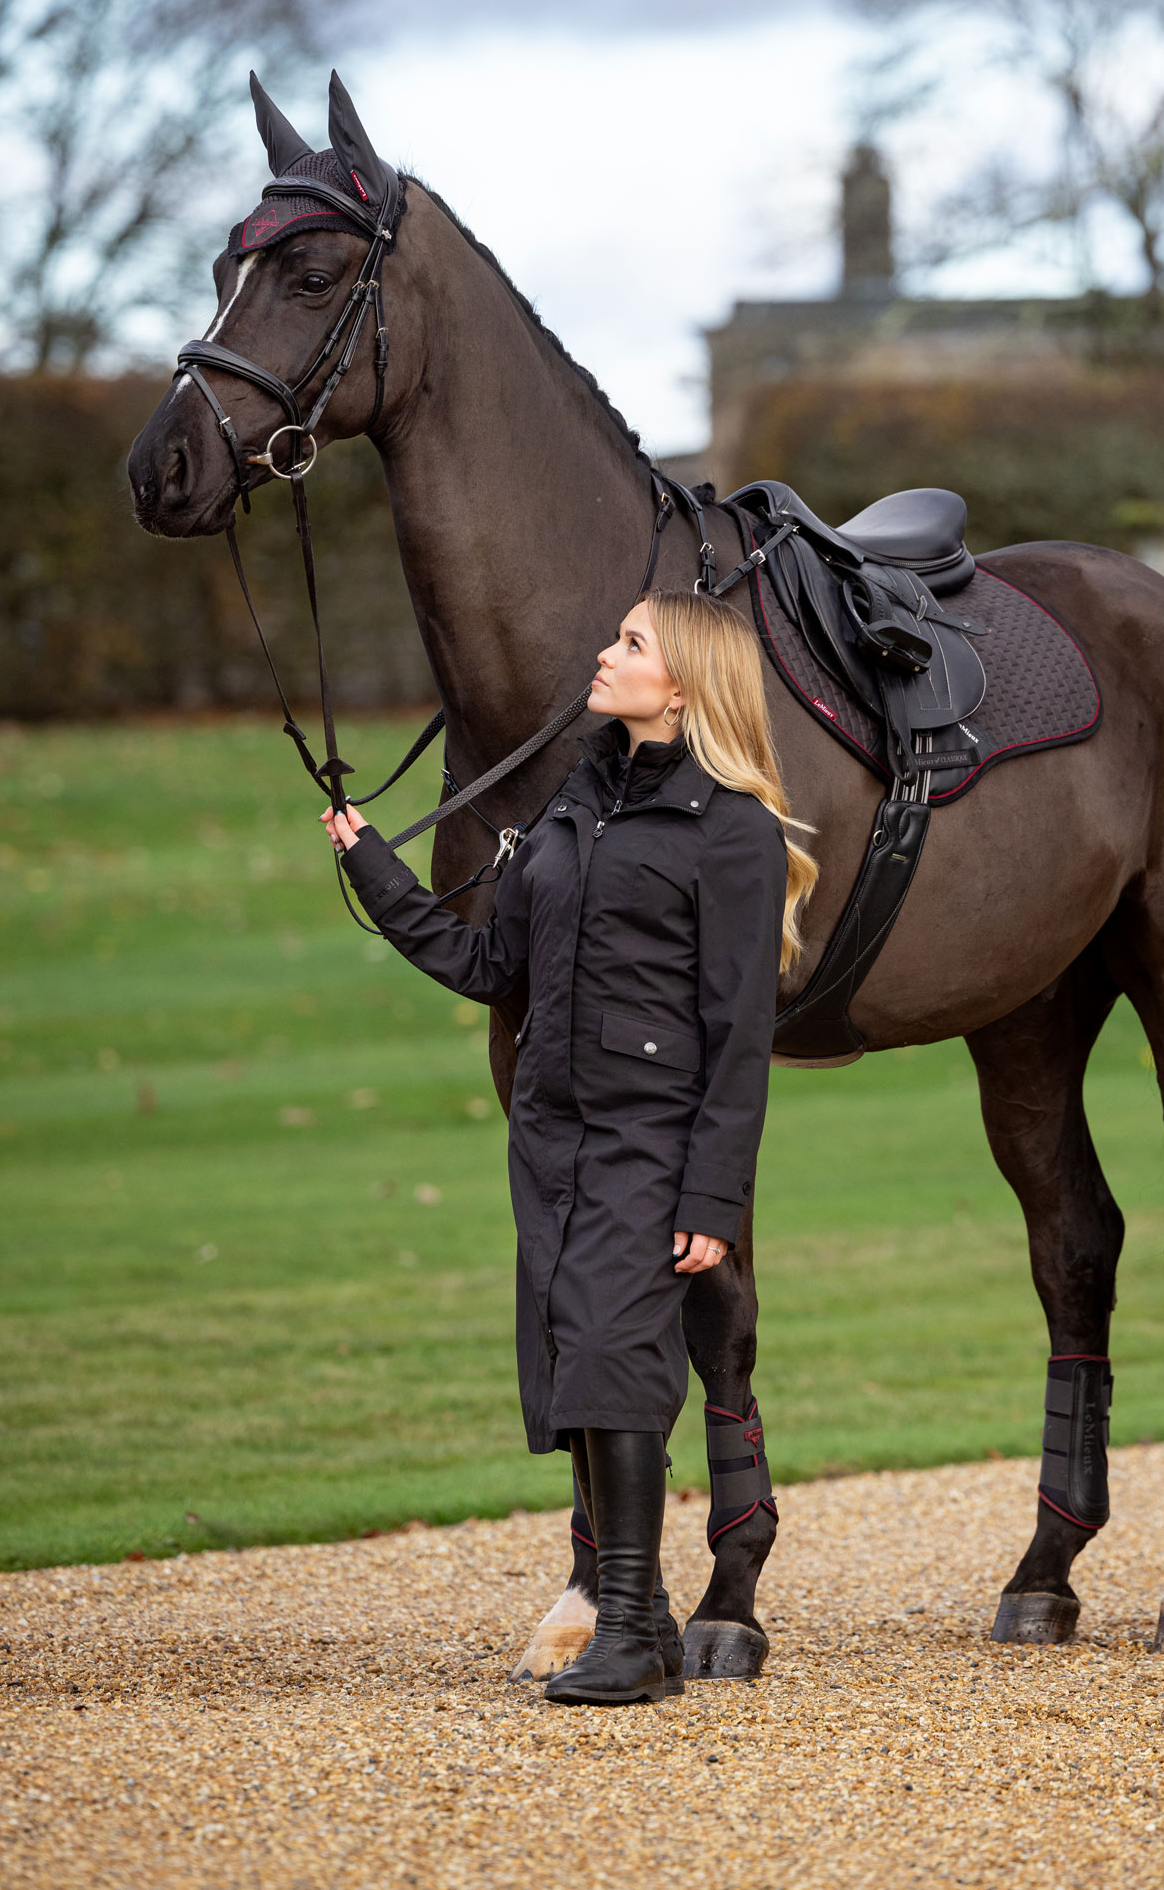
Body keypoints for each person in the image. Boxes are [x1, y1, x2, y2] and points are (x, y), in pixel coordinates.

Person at [323, 590, 816, 1705]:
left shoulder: (731, 828)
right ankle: (637, 1624)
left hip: (651, 1133)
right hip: (549, 1128)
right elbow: (494, 967)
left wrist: (714, 1193)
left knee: (615, 1358)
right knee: (567, 1361)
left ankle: (634, 1629)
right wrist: (374, 871)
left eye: (631, 643)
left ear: (683, 686)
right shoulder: (570, 807)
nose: (605, 652)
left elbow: (740, 1035)